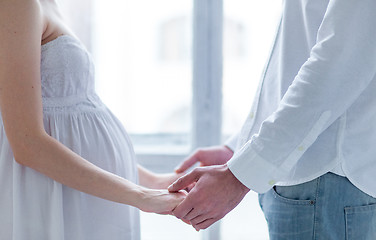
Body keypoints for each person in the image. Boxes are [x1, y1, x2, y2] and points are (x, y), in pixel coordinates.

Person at [169, 0, 376, 238]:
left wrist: (240, 175)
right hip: (310, 181)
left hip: (322, 181)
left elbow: (340, 64)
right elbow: (299, 56)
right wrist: (241, 147)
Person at [0, 0, 186, 239]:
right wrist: (140, 195)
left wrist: (151, 181)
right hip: (50, 196)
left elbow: (69, 124)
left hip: (80, 194)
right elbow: (27, 143)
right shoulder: (17, 4)